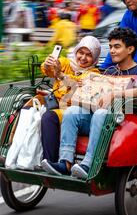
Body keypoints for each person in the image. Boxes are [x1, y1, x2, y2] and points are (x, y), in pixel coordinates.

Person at [41, 27, 137, 179]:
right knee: (71, 112)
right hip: (97, 117)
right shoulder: (108, 71)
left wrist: (115, 94)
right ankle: (65, 162)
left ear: (130, 49)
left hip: (121, 121)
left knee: (100, 113)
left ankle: (88, 164)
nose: (112, 51)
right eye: (110, 47)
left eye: (117, 47)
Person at [40, 36, 101, 164]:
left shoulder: (94, 73)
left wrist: (61, 75)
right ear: (76, 51)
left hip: (72, 109)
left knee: (49, 117)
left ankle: (50, 161)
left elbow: (78, 83)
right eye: (81, 53)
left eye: (89, 55)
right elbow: (49, 70)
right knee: (26, 109)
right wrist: (47, 64)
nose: (83, 58)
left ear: (94, 58)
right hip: (54, 103)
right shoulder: (66, 63)